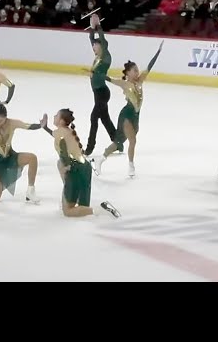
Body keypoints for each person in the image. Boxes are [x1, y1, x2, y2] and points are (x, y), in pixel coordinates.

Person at [92, 42, 163, 178]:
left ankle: (100, 159)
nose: (137, 72)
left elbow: (150, 66)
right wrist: (95, 73)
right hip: (126, 115)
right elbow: (107, 78)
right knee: (133, 140)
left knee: (118, 143)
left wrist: (158, 52)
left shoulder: (140, 80)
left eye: (137, 70)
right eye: (134, 70)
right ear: (128, 72)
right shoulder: (124, 83)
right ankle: (131, 166)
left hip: (136, 115)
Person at [42, 108, 120, 218]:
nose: (54, 116)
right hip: (84, 167)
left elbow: (63, 151)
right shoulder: (67, 130)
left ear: (61, 121)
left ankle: (100, 210)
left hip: (75, 169)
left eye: (56, 115)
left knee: (68, 212)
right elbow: (56, 135)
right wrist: (45, 127)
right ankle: (72, 200)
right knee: (60, 164)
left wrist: (66, 166)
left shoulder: (61, 133)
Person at [84, 14, 119, 156]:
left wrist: (98, 26)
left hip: (102, 92)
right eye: (93, 45)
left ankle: (89, 147)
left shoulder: (105, 56)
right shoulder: (98, 57)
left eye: (95, 45)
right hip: (97, 92)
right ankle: (117, 141)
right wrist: (92, 28)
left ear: (102, 46)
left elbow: (102, 39)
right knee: (104, 118)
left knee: (94, 118)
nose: (93, 46)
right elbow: (92, 38)